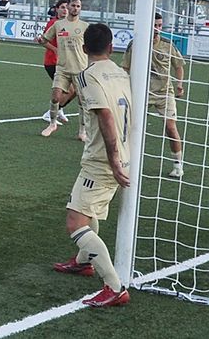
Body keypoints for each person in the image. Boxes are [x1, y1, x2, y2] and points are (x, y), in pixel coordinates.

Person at [52, 23, 132, 308]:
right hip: (123, 154)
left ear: (84, 48)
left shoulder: (87, 76)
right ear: (111, 47)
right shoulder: (122, 73)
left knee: (76, 222)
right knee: (87, 208)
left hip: (103, 160)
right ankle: (83, 261)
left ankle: (114, 287)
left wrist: (113, 160)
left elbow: (106, 116)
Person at [122, 13, 186, 178]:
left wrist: (179, 84)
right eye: (154, 25)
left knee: (171, 127)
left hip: (164, 92)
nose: (157, 29)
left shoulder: (167, 44)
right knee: (132, 127)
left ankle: (178, 165)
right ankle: (126, 161)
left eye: (159, 25)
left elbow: (179, 65)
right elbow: (125, 68)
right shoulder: (135, 44)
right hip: (141, 92)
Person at [39, 0, 89, 140]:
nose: (75, 8)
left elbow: (91, 47)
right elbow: (45, 40)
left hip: (80, 70)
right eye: (73, 5)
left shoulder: (85, 26)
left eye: (78, 6)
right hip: (62, 68)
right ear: (68, 6)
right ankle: (52, 124)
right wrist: (44, 43)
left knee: (82, 102)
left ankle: (82, 131)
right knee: (55, 96)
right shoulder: (58, 25)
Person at [38, 0, 71, 124]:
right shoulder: (53, 23)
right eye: (62, 7)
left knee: (72, 90)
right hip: (52, 62)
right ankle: (50, 113)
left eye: (66, 7)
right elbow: (43, 40)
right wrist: (56, 50)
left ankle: (59, 109)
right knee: (69, 89)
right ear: (57, 9)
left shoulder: (69, 24)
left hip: (65, 62)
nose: (65, 10)